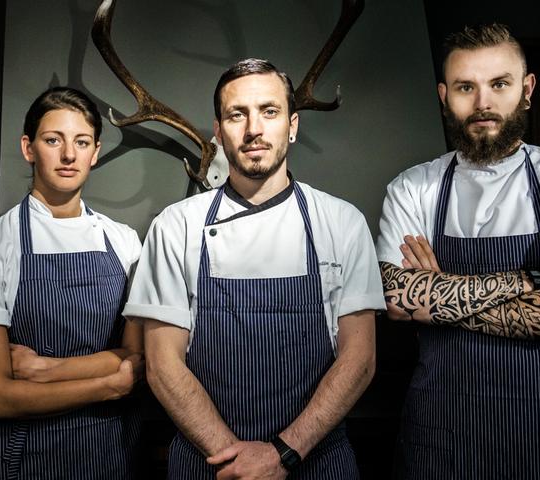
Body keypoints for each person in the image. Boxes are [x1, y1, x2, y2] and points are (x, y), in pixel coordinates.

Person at [377, 23, 540, 479]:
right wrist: (530, 279)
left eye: (499, 84)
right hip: (442, 431)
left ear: (526, 90)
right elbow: (398, 300)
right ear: (443, 94)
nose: (483, 103)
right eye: (465, 87)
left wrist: (437, 296)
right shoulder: (414, 188)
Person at [123, 58, 385, 479]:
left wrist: (283, 453)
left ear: (293, 125)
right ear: (218, 129)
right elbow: (161, 365)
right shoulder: (176, 226)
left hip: (316, 461)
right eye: (236, 114)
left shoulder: (341, 222)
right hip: (210, 464)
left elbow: (360, 360)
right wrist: (236, 459)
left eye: (269, 111)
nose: (253, 130)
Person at [0, 86, 144, 479]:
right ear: (28, 147)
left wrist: (44, 370)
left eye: (82, 141)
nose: (69, 155)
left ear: (96, 152)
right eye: (53, 140)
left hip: (107, 455)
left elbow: (137, 360)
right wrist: (110, 385)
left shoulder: (125, 242)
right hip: (17, 460)